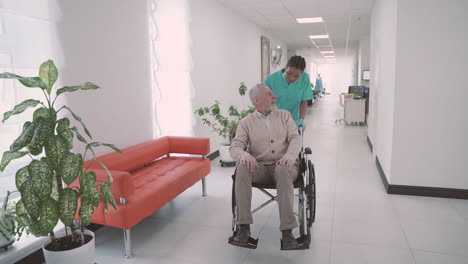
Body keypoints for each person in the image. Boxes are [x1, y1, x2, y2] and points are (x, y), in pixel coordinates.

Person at [229, 83, 303, 250]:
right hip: (260, 168)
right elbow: (235, 147)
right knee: (241, 167)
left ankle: (288, 232)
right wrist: (244, 155)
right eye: (269, 94)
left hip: (286, 166)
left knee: (282, 170)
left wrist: (289, 156)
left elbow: (295, 138)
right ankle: (243, 229)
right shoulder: (246, 122)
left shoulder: (284, 116)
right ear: (257, 101)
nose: (274, 96)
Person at [264, 55, 313, 130]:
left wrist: (301, 120)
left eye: (296, 76)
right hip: (273, 122)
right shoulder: (270, 80)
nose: (292, 78)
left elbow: (304, 100)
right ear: (285, 67)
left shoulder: (304, 78)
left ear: (302, 73)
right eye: (289, 73)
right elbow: (263, 103)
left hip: (294, 122)